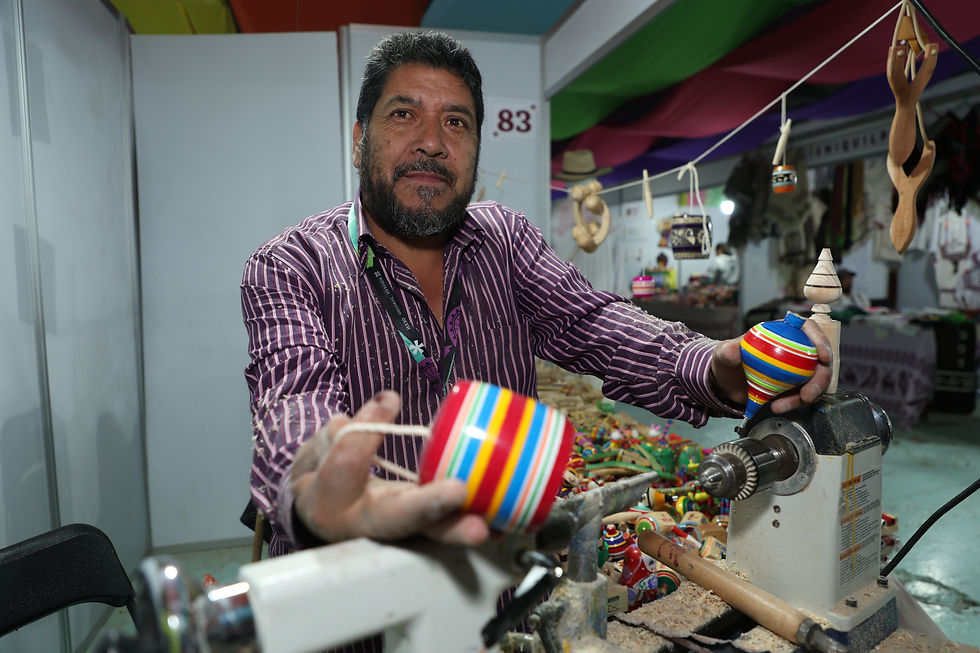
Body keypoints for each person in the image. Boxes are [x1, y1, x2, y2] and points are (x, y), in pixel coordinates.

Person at [240, 31, 832, 559]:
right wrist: (316, 487)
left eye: (456, 122)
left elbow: (595, 323)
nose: (432, 142)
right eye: (403, 114)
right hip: (354, 592)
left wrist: (715, 366)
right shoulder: (291, 265)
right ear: (358, 140)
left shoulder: (504, 241)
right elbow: (294, 398)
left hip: (496, 581)